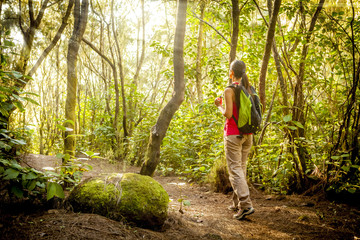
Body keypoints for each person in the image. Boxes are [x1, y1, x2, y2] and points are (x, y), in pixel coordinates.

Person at [214, 60, 255, 220]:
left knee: (234, 170)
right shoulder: (249, 89)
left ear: (231, 73)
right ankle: (236, 203)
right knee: (241, 169)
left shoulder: (229, 90)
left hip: (233, 134)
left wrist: (219, 106)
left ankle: (245, 205)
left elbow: (228, 114)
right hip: (247, 135)